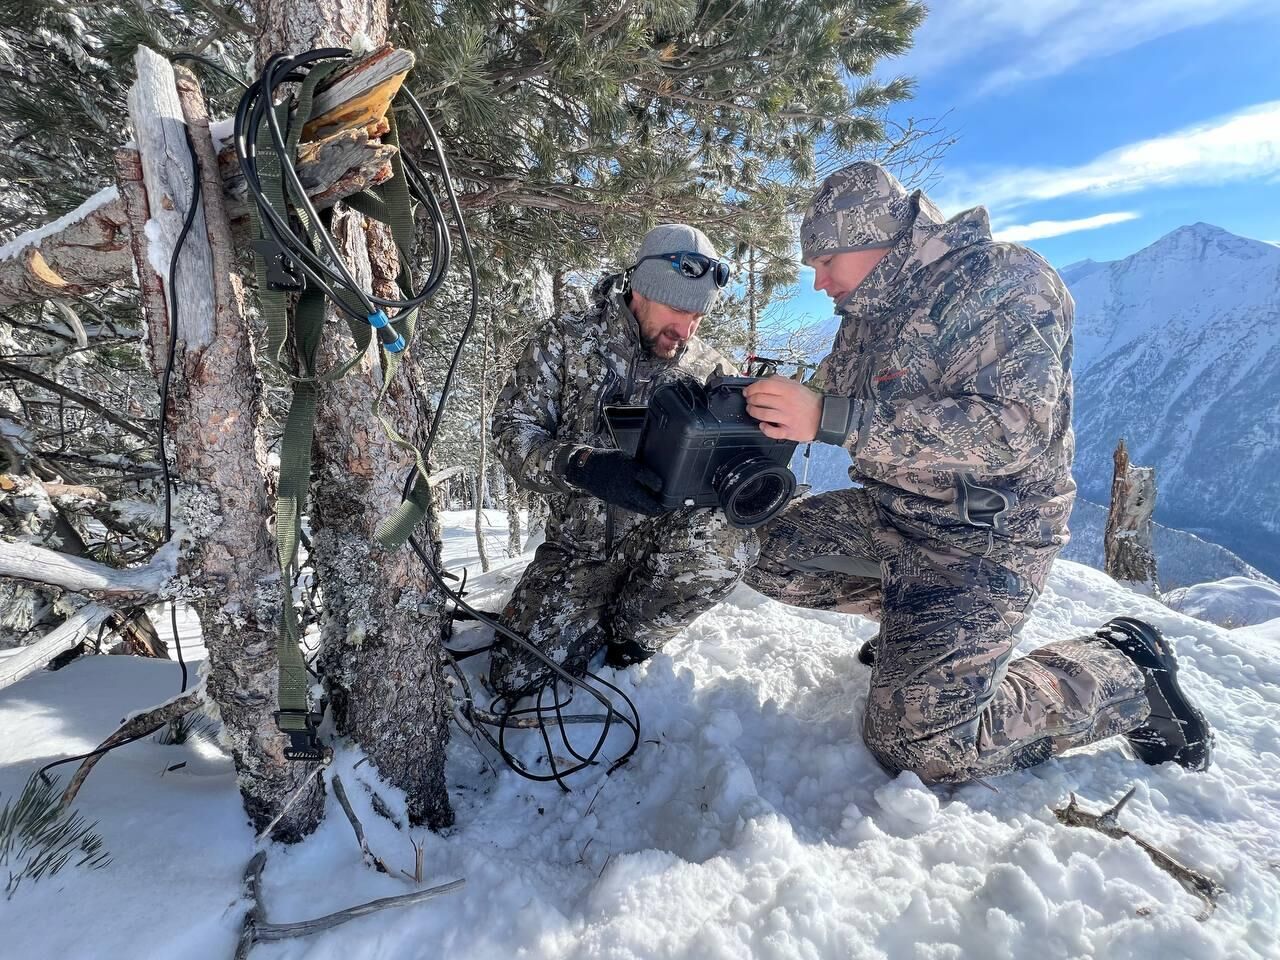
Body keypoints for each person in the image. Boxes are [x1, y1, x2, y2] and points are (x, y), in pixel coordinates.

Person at [741, 161, 1212, 783]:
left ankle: (1122, 672)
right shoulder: (867, 316)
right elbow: (830, 399)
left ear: (877, 239)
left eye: (826, 260)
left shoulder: (1004, 282)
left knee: (919, 748)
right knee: (759, 551)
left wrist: (835, 419)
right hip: (894, 514)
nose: (818, 279)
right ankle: (920, 633)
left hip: (985, 537)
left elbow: (1014, 430)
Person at [488, 224, 756, 699]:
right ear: (641, 289)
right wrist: (582, 465)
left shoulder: (711, 368)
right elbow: (512, 434)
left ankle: (631, 639)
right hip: (578, 550)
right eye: (677, 310)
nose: (686, 330)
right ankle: (589, 613)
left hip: (662, 544)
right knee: (513, 683)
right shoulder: (566, 340)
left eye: (697, 316)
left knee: (729, 539)